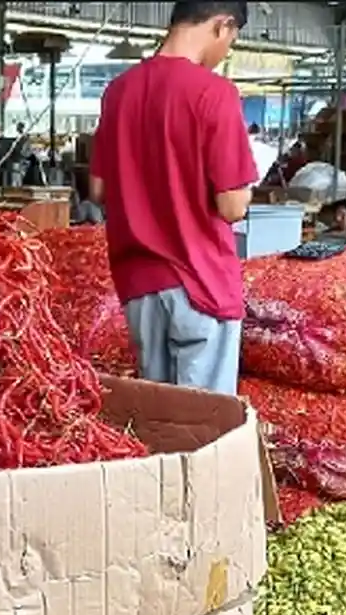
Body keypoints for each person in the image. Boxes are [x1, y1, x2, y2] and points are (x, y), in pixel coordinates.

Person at [89, 1, 256, 396]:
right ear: (222, 25)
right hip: (201, 282)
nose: (225, 52)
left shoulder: (119, 91)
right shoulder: (215, 93)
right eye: (231, 40)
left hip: (139, 284)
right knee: (203, 428)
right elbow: (232, 206)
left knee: (159, 418)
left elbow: (98, 191)